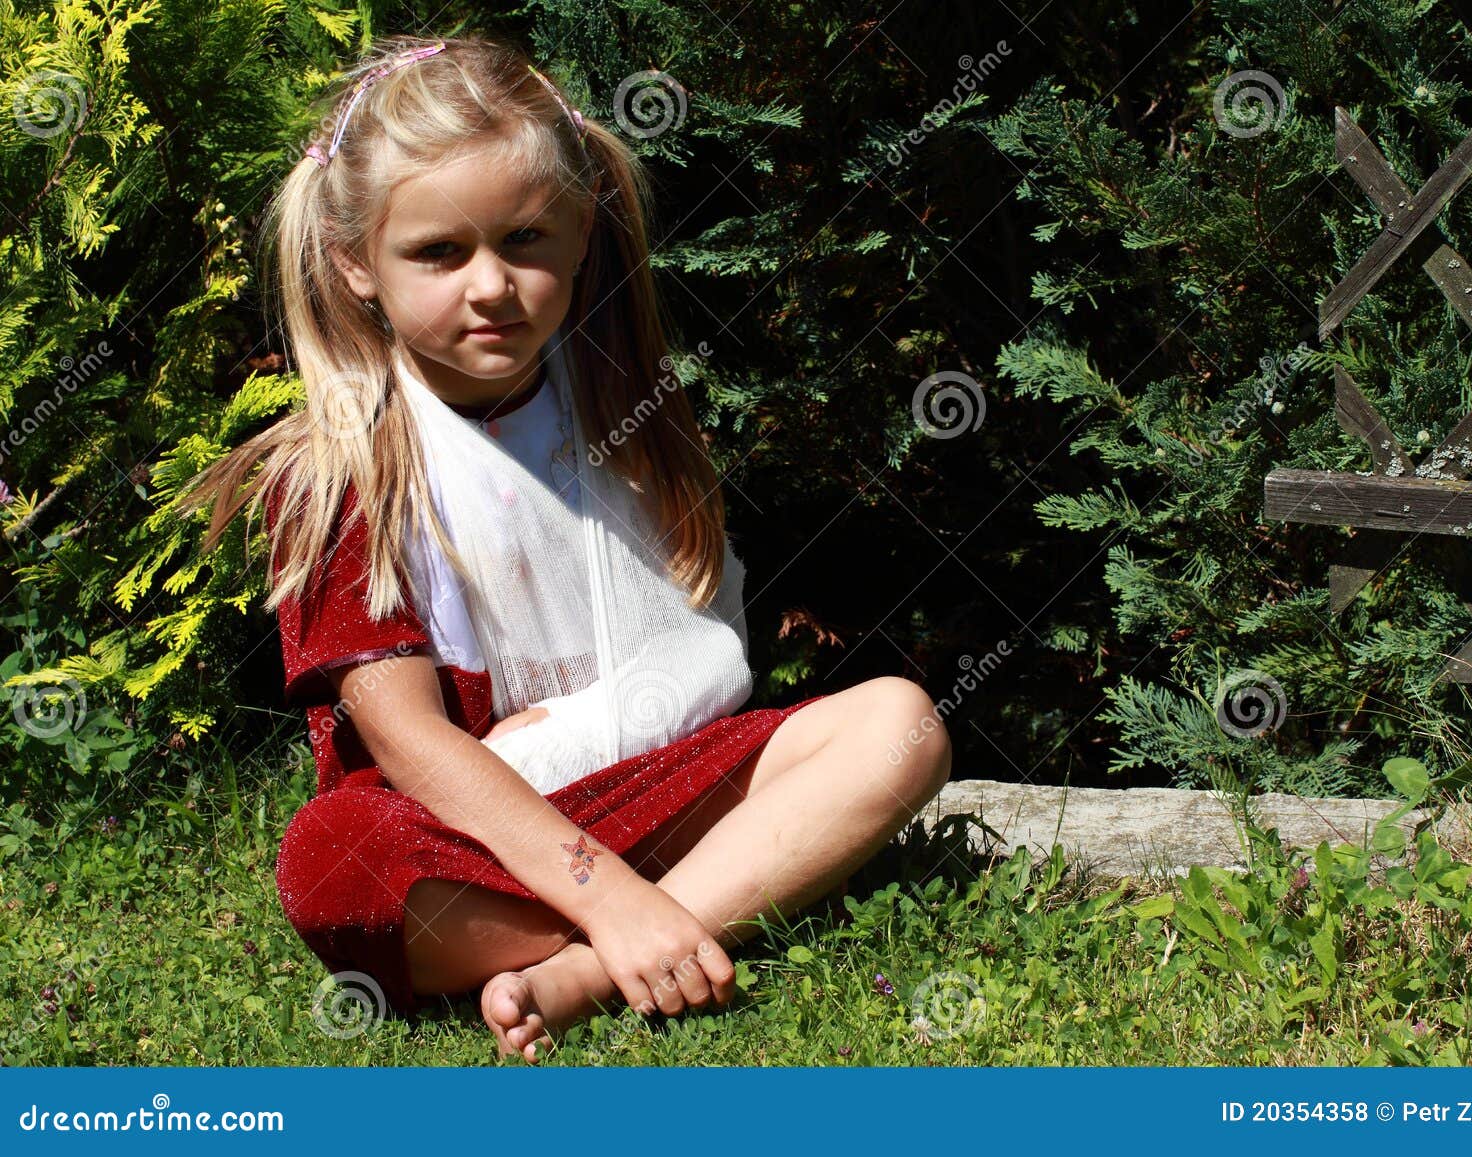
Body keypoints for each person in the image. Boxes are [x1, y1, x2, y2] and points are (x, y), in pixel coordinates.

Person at [177, 32, 952, 1063]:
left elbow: (711, 653)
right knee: (339, 858)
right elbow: (408, 744)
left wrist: (602, 799)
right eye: (440, 253)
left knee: (898, 725)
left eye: (526, 240)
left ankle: (589, 963)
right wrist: (607, 884)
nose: (491, 285)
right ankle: (711, 899)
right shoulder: (339, 473)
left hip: (646, 784)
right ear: (355, 261)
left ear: (584, 234)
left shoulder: (628, 416)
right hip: (469, 828)